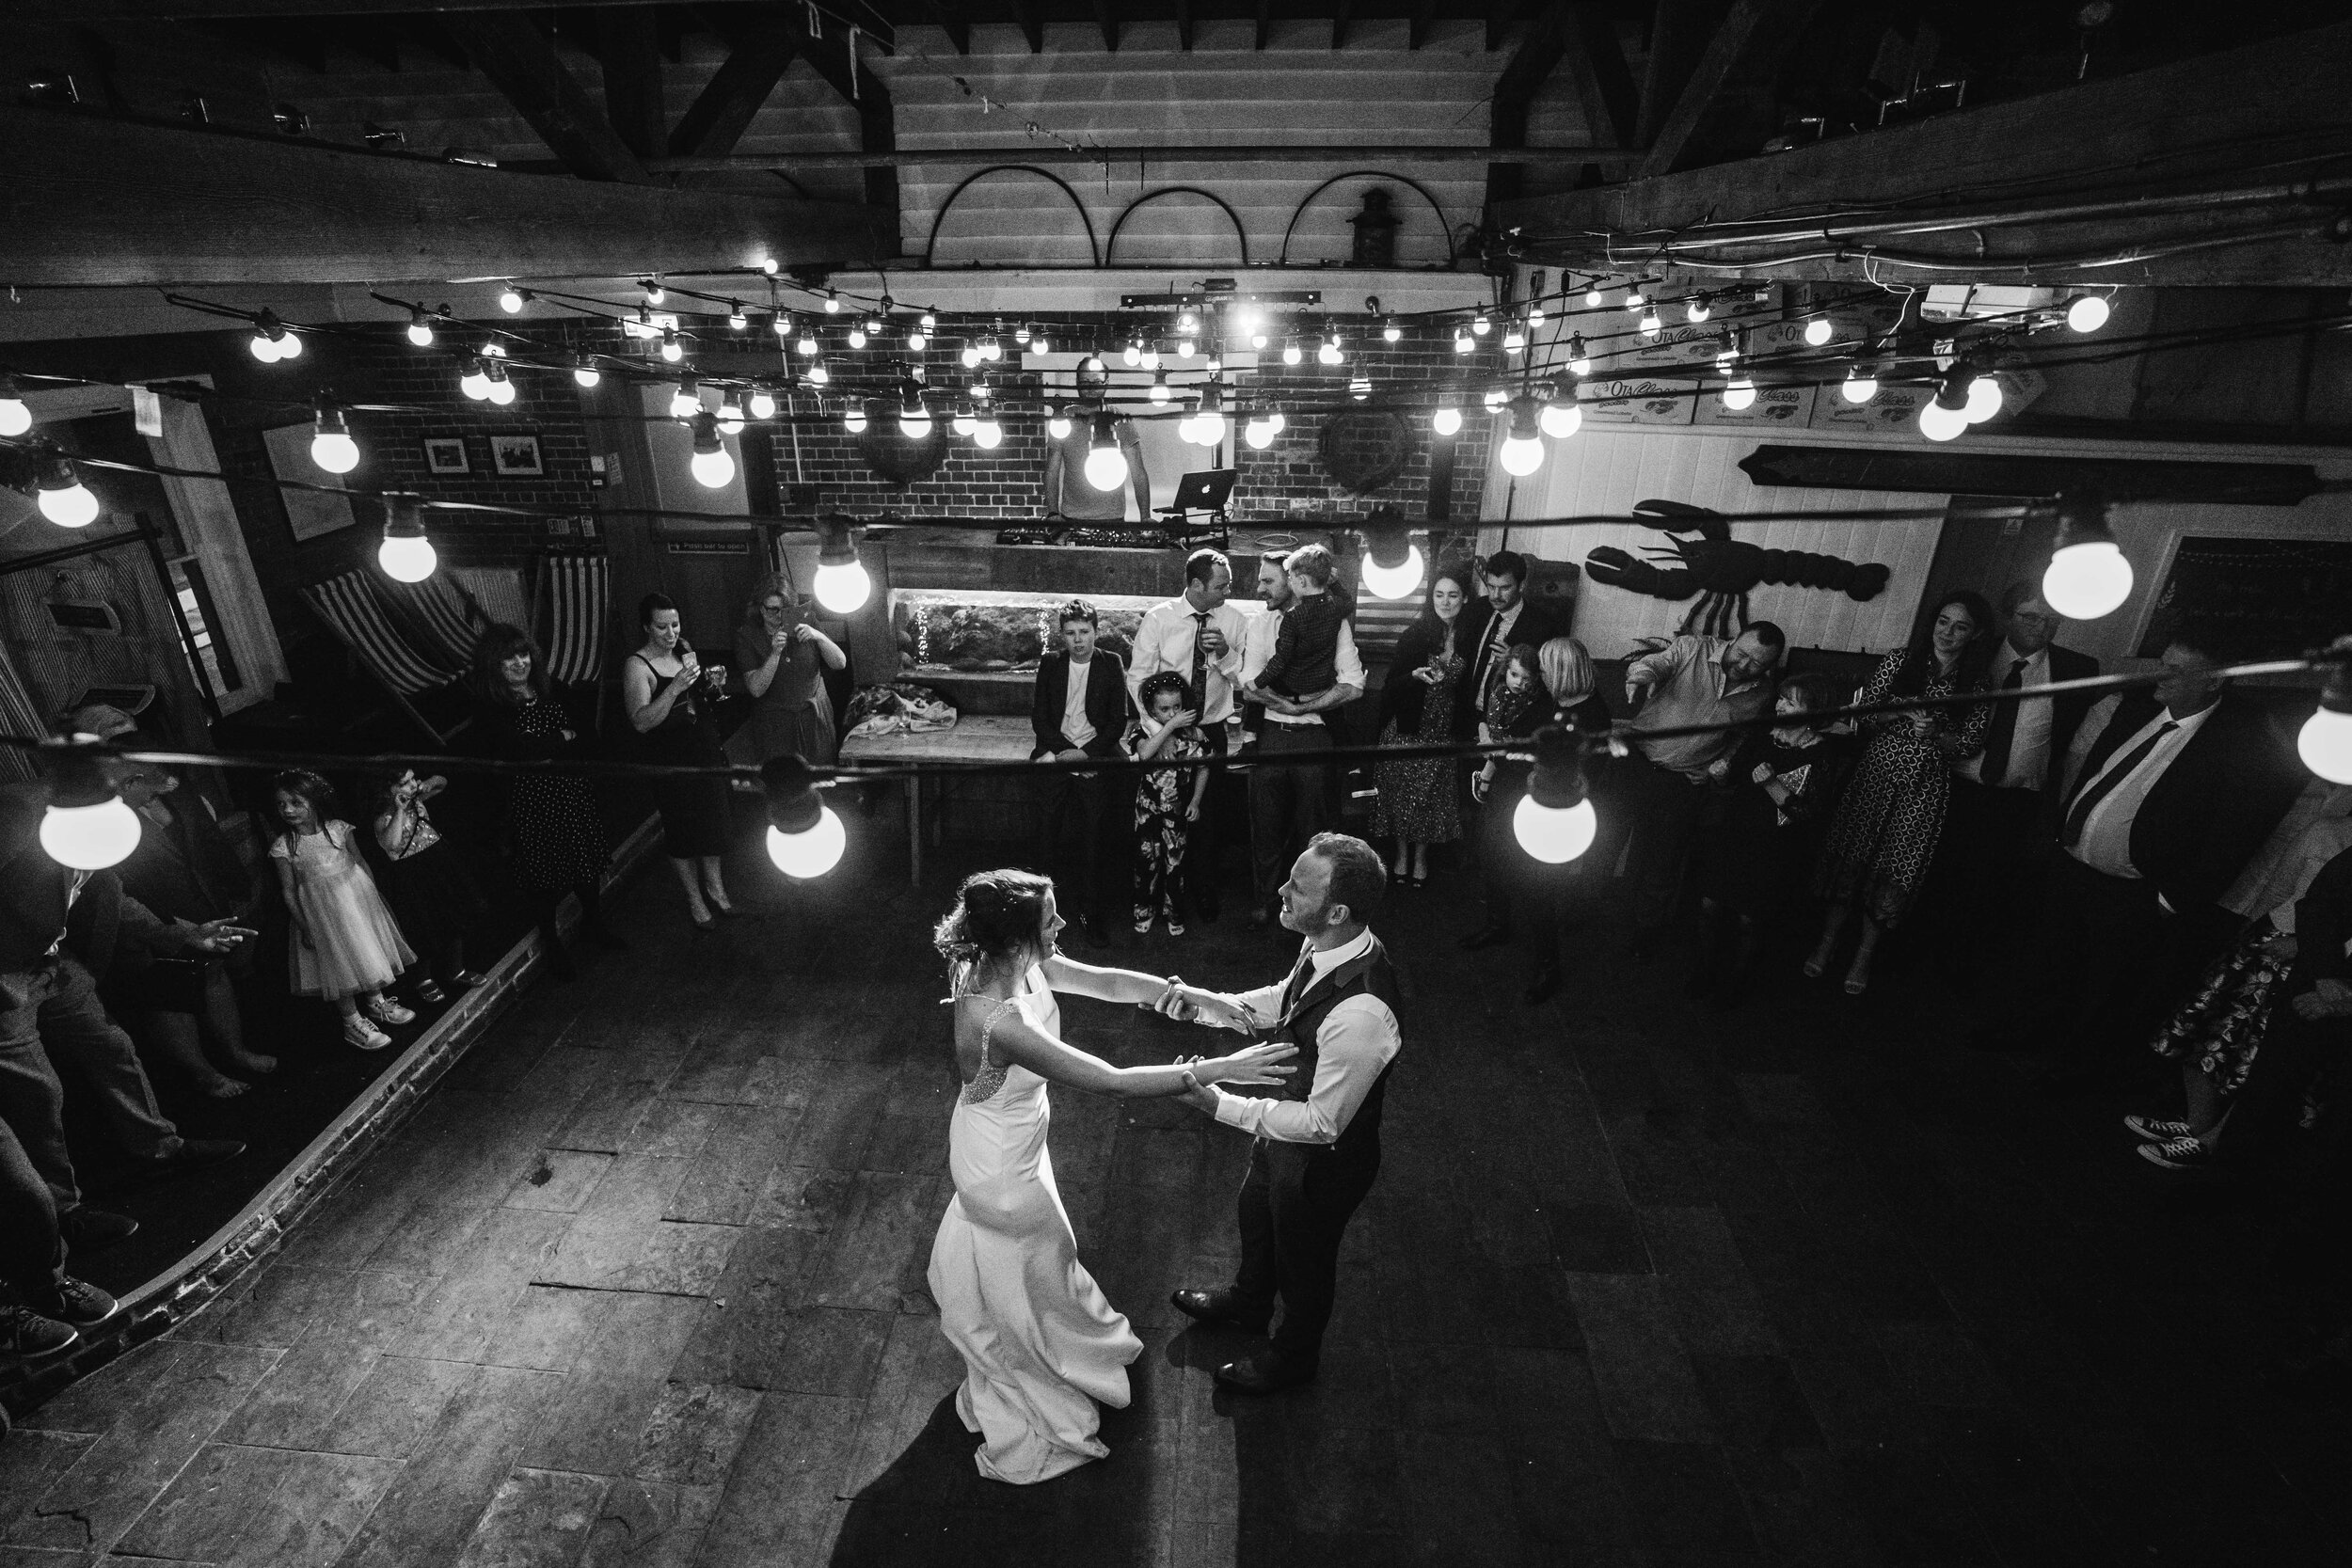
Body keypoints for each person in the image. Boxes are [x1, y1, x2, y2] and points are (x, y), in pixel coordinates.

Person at [927, 869, 1294, 1481]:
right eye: (1051, 921)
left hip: (1007, 1144)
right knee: (1040, 1269)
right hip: (1001, 1175)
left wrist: (1203, 1000)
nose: (1063, 926)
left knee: (1037, 1271)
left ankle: (1062, 1351)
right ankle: (1042, 1384)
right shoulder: (999, 1022)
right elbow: (1111, 1079)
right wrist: (1224, 1066)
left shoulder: (1013, 965)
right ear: (1019, 938)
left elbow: (1112, 981)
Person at [2003, 630, 2304, 1093]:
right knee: (2050, 961)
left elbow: (2236, 833)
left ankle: (2069, 1069)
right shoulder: (2139, 706)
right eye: (2163, 662)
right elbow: (2094, 773)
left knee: (2103, 988)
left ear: (2213, 681)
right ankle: (2021, 1033)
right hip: (2072, 866)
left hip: (2135, 891)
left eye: (2177, 669)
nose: (2161, 675)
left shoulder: (2245, 737)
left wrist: (2170, 900)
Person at [1158, 832, 1401, 1393]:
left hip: (1325, 1163)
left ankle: (1293, 1358)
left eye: (1297, 886)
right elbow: (1285, 1001)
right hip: (1283, 1129)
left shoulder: (1364, 1013)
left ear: (1337, 910)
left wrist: (1219, 1103)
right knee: (1256, 1215)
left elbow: (1323, 1124)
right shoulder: (1327, 942)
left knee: (1305, 1264)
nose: (1281, 891)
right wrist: (1205, 1003)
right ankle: (1248, 1304)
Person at [1, 776, 249, 1260]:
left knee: (111, 1047)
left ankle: (160, 1148)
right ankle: (61, 1216)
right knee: (37, 1094)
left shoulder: (88, 827)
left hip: (52, 964)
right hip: (4, 979)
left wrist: (183, 936)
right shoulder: (19, 829)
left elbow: (111, 898)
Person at [2133, 818, 2352, 1171]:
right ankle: (2195, 1126)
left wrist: (2308, 947)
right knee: (2205, 1025)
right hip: (2270, 939)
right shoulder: (2324, 830)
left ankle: (2213, 1142)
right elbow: (2280, 888)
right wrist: (2252, 934)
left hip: (2318, 967)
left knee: (2259, 1055)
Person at [1806, 592, 1996, 995]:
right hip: (1876, 774)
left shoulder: (1978, 681)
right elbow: (1863, 715)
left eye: (1960, 626)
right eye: (1943, 621)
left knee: (1896, 870)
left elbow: (1971, 743)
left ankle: (1864, 956)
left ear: (1976, 634)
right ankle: (1826, 941)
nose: (1947, 632)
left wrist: (1939, 735)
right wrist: (1899, 711)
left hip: (1923, 790)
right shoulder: (1900, 660)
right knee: (1851, 856)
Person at [1935, 581, 2101, 981]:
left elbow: (2075, 743)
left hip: (2018, 800)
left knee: (1991, 889)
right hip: (1951, 787)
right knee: (1938, 877)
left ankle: (1960, 973)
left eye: (2051, 620)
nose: (2041, 626)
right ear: (2009, 616)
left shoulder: (2078, 669)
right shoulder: (1975, 651)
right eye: (2030, 616)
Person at [1607, 621, 1785, 952]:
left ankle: (1647, 932)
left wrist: (1720, 764)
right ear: (1733, 640)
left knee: (1663, 862)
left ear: (1769, 667)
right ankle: (1584, 910)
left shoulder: (1761, 695)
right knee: (1606, 840)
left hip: (1683, 784)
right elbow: (1657, 663)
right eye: (1742, 654)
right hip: (1635, 764)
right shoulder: (1693, 649)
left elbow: (1742, 737)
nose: (1744, 665)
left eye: (1757, 663)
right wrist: (1641, 674)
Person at [109, 766, 277, 1098]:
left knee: (213, 972)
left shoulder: (171, 789)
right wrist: (166, 925)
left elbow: (202, 836)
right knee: (169, 995)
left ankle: (236, 1051)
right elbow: (111, 890)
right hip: (148, 916)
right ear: (127, 779)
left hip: (195, 895)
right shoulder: (97, 817)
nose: (160, 789)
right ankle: (204, 1074)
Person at [1687, 674, 1852, 1006]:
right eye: (1781, 698)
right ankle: (1704, 971)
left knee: (1750, 920)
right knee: (1710, 906)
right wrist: (1720, 773)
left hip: (1775, 848)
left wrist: (1772, 785)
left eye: (1791, 702)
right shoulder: (1762, 736)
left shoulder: (1821, 754)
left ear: (1813, 711)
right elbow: (1731, 778)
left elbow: (1809, 814)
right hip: (1735, 834)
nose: (1780, 705)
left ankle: (1736, 983)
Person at [469, 624, 621, 980]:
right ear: (494, 664)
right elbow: (516, 752)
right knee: (544, 878)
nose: (521, 662)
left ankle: (593, 923)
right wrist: (560, 739)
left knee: (586, 862)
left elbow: (588, 737)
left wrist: (549, 745)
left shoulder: (553, 690)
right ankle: (552, 945)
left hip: (571, 791)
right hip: (530, 802)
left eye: (524, 654)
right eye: (510, 658)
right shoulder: (491, 707)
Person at [1466, 639, 1613, 1004]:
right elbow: (1513, 737)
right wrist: (1492, 763)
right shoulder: (1547, 700)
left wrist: (1517, 759)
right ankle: (1498, 926)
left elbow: (1582, 772)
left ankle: (1549, 966)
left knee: (1540, 887)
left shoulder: (1592, 715)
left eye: (1545, 669)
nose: (1539, 675)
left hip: (1548, 809)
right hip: (1511, 794)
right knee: (1494, 858)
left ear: (1562, 672)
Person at [1241, 551, 1366, 928]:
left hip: (1316, 737)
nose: (1260, 587)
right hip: (1271, 738)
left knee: (1316, 831)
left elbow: (1354, 684)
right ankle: (1268, 903)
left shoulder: (1334, 623)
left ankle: (1313, 909)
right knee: (1265, 827)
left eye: (1268, 580)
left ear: (1296, 582)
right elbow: (1249, 686)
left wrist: (1298, 708)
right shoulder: (1261, 624)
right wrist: (1289, 705)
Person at [1126, 549, 1248, 920]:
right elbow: (1139, 678)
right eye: (1220, 586)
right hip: (1166, 729)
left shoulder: (1236, 620)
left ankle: (1204, 893)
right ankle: (1156, 896)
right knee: (1164, 816)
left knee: (1207, 817)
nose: (1227, 591)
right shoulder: (1159, 619)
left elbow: (1244, 678)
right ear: (1196, 585)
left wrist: (1226, 653)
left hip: (1211, 727)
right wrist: (1158, 731)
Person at [269, 769, 417, 1053]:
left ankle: (376, 1002)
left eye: (295, 802)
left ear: (313, 801)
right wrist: (304, 925)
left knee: (364, 949)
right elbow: (288, 890)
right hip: (321, 914)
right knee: (337, 962)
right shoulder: (284, 846)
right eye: (281, 804)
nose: (287, 809)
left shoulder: (338, 829)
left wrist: (373, 897)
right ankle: (351, 1021)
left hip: (354, 902)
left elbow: (359, 860)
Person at [624, 593, 736, 930]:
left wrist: (714, 687)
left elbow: (698, 700)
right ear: (646, 627)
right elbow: (640, 721)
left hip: (704, 751)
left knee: (714, 822)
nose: (671, 633)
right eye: (662, 626)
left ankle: (715, 887)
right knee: (683, 830)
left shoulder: (684, 649)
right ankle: (694, 897)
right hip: (671, 760)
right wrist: (672, 690)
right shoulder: (636, 666)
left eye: (674, 624)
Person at [1030, 599, 1132, 949]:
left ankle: (1092, 911)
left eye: (1084, 632)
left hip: (1094, 754)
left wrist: (1087, 756)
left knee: (1094, 837)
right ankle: (1039, 915)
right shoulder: (1051, 664)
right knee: (1046, 834)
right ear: (1061, 635)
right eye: (1071, 633)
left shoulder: (1111, 663)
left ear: (1096, 632)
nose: (1078, 640)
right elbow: (1040, 719)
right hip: (1058, 753)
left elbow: (1117, 722)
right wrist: (1065, 754)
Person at [1371, 564, 1473, 887]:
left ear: (1465, 598)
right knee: (1402, 795)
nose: (1445, 602)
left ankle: (1421, 856)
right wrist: (1413, 677)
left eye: (1452, 595)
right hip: (1408, 727)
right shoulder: (1415, 634)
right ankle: (1401, 854)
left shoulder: (1471, 638)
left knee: (1430, 798)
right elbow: (1390, 686)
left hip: (1443, 729)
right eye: (1439, 595)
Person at [372, 768, 487, 1006]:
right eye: (405, 782)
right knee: (423, 926)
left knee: (452, 916)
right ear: (388, 790)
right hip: (412, 875)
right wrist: (400, 810)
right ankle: (423, 979)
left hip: (439, 864)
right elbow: (391, 845)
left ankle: (456, 969)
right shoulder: (384, 817)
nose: (412, 784)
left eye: (413, 779)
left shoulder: (418, 801)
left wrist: (430, 781)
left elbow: (442, 783)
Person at [729, 574, 845, 768]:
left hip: (816, 719)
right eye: (772, 610)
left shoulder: (807, 621)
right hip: (776, 725)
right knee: (783, 783)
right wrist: (774, 654)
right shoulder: (747, 636)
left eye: (784, 610)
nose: (778, 616)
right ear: (760, 608)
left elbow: (840, 663)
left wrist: (818, 636)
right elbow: (756, 689)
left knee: (823, 779)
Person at [1130, 671, 1209, 938]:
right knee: (1146, 861)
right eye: (1164, 709)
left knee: (1175, 863)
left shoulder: (1194, 734)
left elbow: (1204, 766)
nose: (1172, 713)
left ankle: (1173, 911)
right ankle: (1144, 908)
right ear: (1151, 709)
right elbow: (1144, 753)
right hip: (1147, 809)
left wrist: (1196, 800)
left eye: (1177, 707)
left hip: (1176, 811)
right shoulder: (1141, 731)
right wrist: (1169, 727)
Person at [1042, 355, 1150, 524]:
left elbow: (1138, 472)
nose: (1090, 387)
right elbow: (1052, 470)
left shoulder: (1120, 419)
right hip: (1072, 515)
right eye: (1085, 381)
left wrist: (1146, 517)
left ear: (1107, 383)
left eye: (1096, 382)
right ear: (1077, 382)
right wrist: (1052, 513)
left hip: (1112, 516)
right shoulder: (1063, 422)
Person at [1253, 543, 1353, 707]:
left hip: (1292, 689)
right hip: (1322, 686)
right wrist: (1334, 584)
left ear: (1300, 581)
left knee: (1260, 688)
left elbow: (1280, 659)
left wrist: (1257, 683)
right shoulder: (1335, 608)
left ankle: (1252, 727)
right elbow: (1348, 602)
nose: (1259, 589)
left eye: (1291, 579)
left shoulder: (1293, 616)